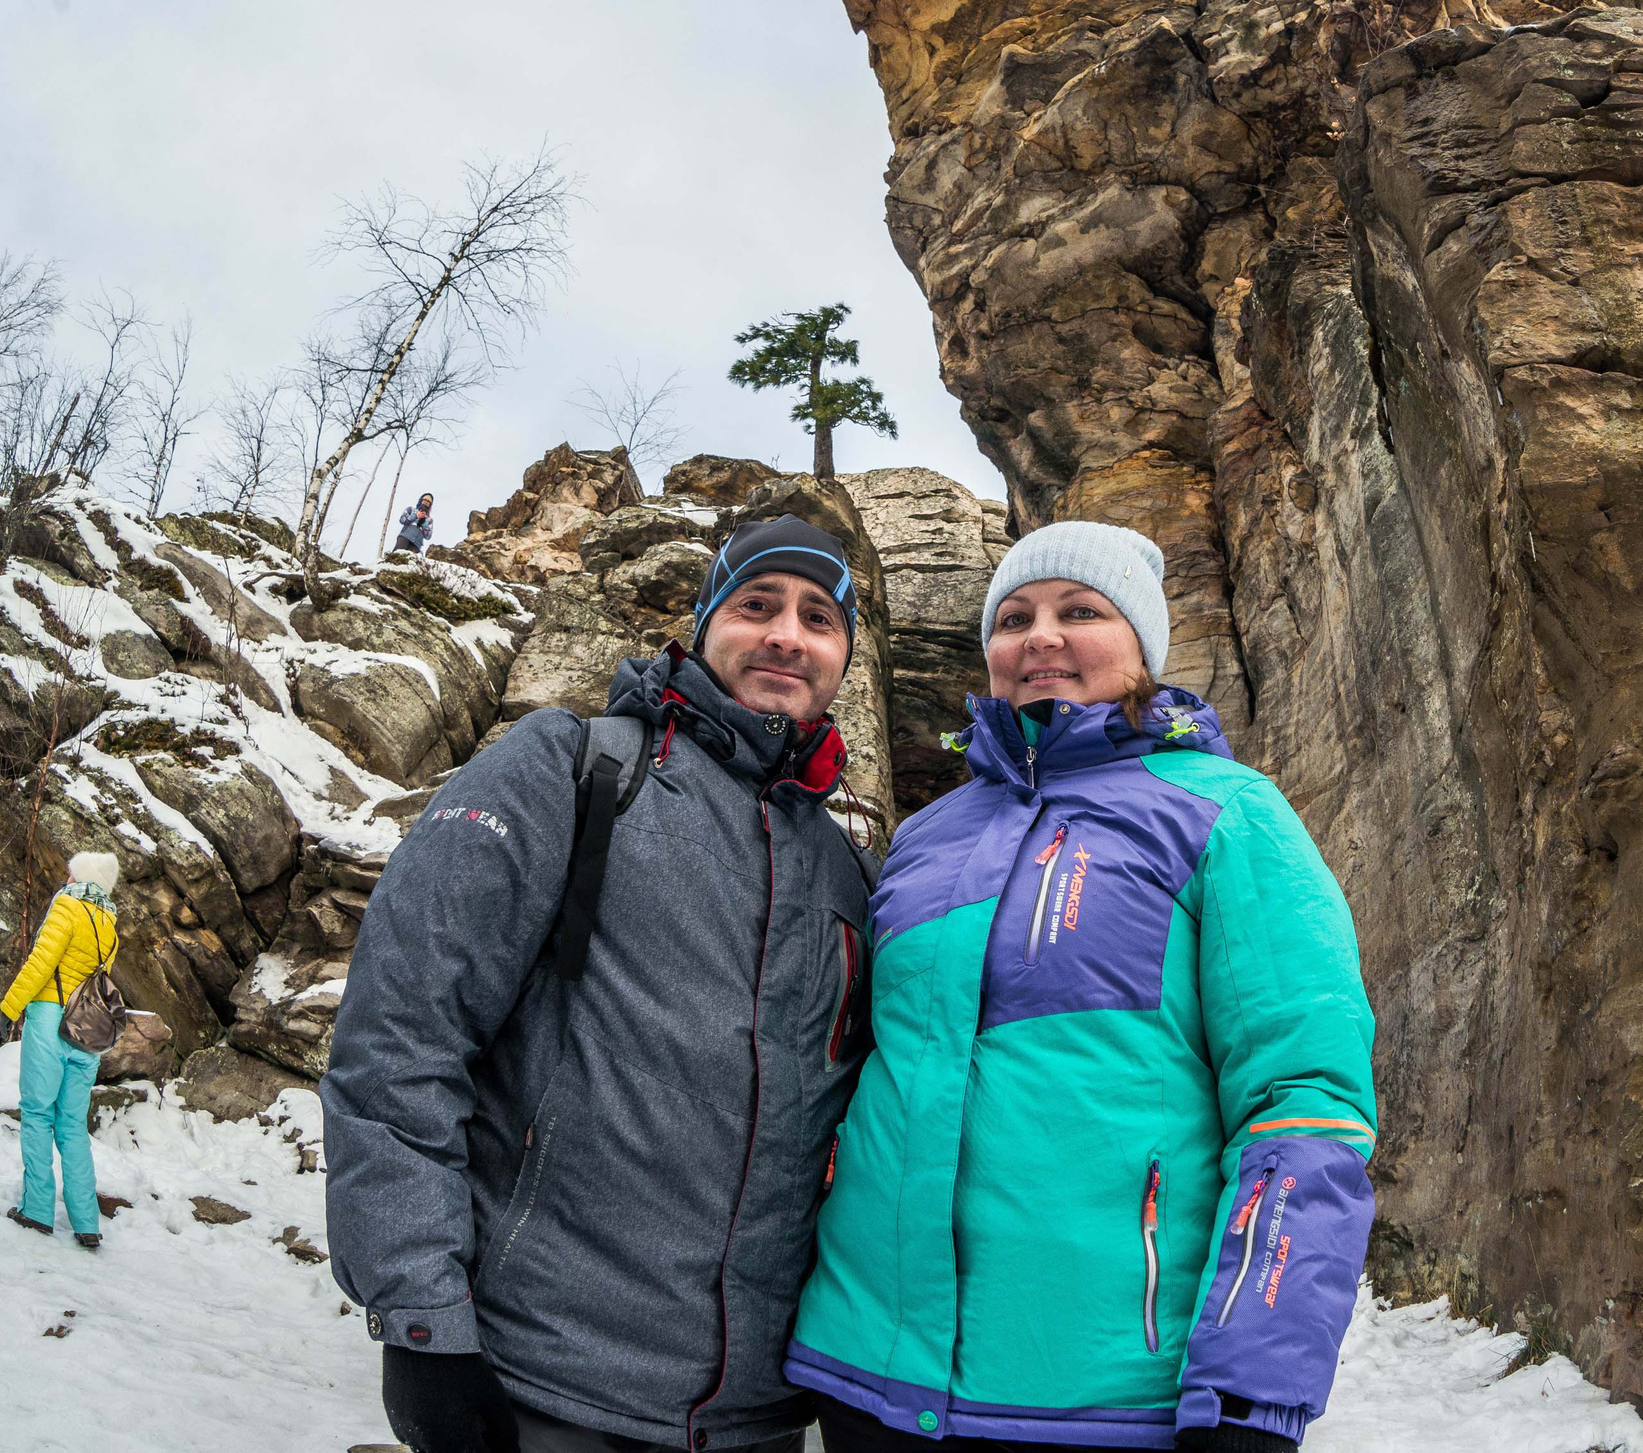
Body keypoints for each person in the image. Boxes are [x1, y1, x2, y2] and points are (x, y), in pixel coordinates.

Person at [787, 522, 1377, 1453]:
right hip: (868, 1381)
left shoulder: (1229, 813)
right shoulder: (927, 837)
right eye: (1014, 616)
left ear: (1142, 646)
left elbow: (1304, 1107)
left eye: (1081, 610)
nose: (1040, 636)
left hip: (1103, 1399)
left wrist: (1252, 1394)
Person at [325, 513, 878, 1453]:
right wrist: (421, 1319)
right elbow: (402, 1037)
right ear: (705, 624)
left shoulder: (848, 872)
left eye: (820, 617)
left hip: (758, 1418)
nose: (787, 633)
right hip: (543, 1386)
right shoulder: (573, 768)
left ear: (841, 658)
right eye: (757, 604)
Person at [0, 851, 122, 1248]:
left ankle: (36, 1209)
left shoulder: (67, 907)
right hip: (85, 1032)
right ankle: (86, 1221)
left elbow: (40, 962)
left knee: (36, 1113)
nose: (66, 878)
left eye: (71, 872)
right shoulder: (110, 925)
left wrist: (10, 1006)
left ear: (81, 877)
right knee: (71, 1126)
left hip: (51, 1021)